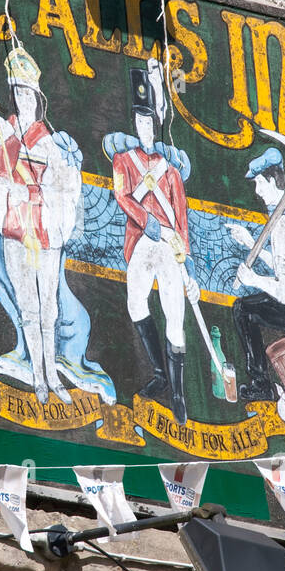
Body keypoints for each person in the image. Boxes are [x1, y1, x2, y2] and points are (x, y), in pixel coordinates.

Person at [0, 46, 81, 405]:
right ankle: (37, 376)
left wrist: (52, 185)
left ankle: (53, 373)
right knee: (28, 307)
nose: (24, 100)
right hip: (16, 226)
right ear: (14, 97)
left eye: (28, 94)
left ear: (37, 97)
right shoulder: (2, 131)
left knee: (48, 305)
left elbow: (67, 185)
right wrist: (7, 183)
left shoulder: (49, 140)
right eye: (17, 94)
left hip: (45, 227)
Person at [107, 59, 199, 425]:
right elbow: (121, 196)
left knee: (175, 317)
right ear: (135, 123)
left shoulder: (172, 171)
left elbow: (182, 217)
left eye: (149, 121)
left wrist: (186, 259)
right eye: (139, 121)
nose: (144, 126)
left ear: (157, 124)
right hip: (141, 241)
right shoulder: (123, 161)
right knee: (135, 304)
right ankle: (161, 374)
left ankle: (177, 392)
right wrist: (146, 223)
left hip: (170, 246)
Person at [229, 146, 285, 403]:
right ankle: (261, 382)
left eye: (258, 183)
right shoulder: (283, 220)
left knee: (243, 310)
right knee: (246, 308)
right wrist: (249, 243)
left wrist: (253, 279)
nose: (256, 191)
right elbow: (282, 269)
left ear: (270, 180)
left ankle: (261, 385)